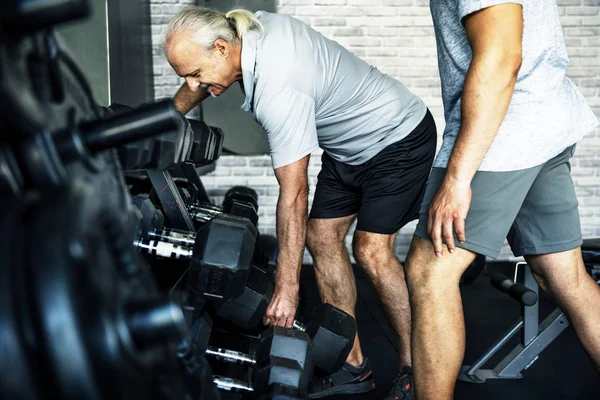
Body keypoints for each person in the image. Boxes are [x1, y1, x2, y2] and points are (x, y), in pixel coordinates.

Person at [163, 7, 437, 400]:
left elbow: (294, 194)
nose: (194, 84)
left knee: (371, 251)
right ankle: (354, 365)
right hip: (347, 149)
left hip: (397, 137)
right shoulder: (246, 31)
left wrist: (287, 289)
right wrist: (163, 123)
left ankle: (417, 369)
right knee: (322, 236)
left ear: (222, 49)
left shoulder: (279, 84)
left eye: (196, 73)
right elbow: (196, 83)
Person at [403, 1, 600, 399]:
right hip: (543, 118)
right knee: (564, 275)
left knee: (430, 272)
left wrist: (458, 178)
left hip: (507, 127)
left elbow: (502, 55)